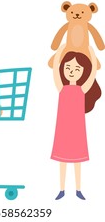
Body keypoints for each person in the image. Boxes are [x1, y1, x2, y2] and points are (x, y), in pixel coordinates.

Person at [51, 45, 101, 200]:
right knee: (62, 161)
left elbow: (92, 74)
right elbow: (54, 71)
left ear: (82, 72)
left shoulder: (82, 89)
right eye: (68, 67)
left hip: (77, 131)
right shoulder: (62, 88)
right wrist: (60, 52)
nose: (71, 71)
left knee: (77, 162)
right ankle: (62, 189)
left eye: (77, 68)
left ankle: (78, 189)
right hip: (62, 130)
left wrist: (92, 54)